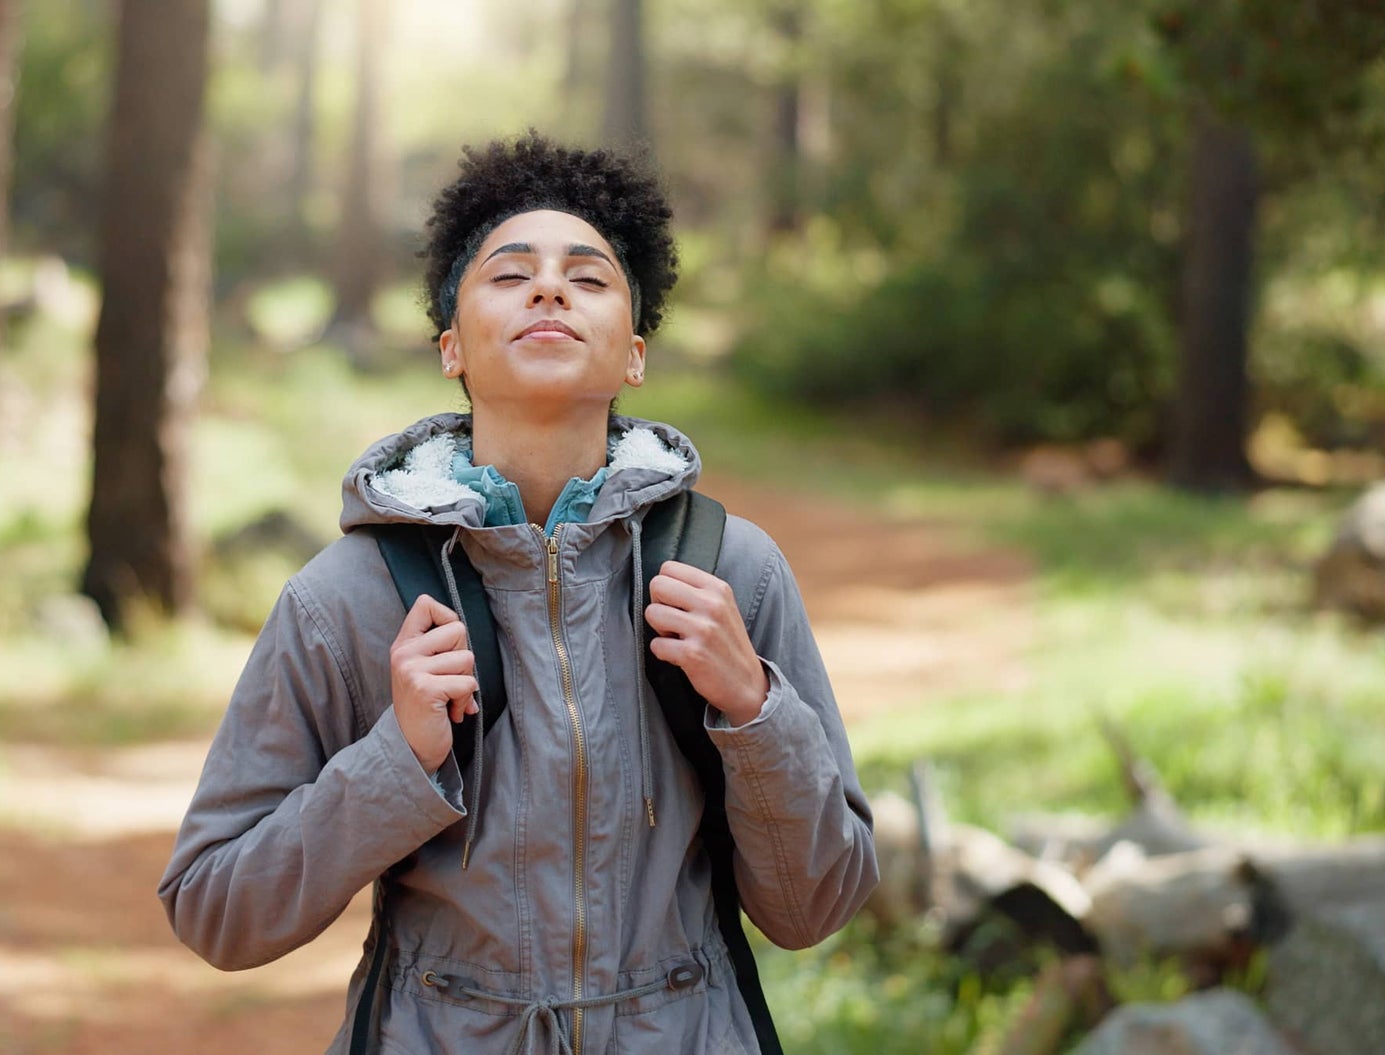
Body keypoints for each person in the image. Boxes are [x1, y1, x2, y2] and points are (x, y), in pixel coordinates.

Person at [159, 131, 878, 1054]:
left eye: (588, 276)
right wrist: (397, 761)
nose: (549, 289)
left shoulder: (730, 572)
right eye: (509, 274)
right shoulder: (346, 596)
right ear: (452, 347)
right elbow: (216, 907)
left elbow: (820, 903)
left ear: (635, 353)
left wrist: (756, 709)